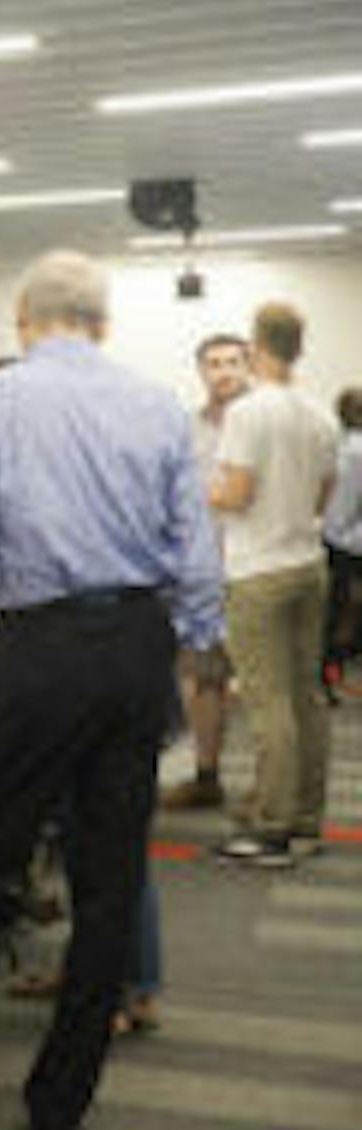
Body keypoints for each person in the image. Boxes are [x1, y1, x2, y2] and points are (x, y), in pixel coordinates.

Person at [0, 250, 221, 1130]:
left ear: (24, 318)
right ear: (100, 322)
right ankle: (60, 1107)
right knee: (109, 880)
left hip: (39, 650)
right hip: (136, 648)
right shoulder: (160, 405)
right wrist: (181, 642)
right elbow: (199, 560)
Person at [209, 303, 339, 868]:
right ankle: (306, 819)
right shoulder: (320, 415)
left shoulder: (247, 412)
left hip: (257, 571)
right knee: (306, 697)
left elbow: (235, 495)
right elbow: (322, 496)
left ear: (256, 346)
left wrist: (200, 493)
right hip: (308, 564)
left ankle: (273, 827)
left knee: (268, 703)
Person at [161, 333, 251, 811]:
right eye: (214, 363)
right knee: (204, 678)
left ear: (248, 366)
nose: (223, 372)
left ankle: (272, 787)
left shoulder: (263, 421)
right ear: (201, 371)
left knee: (265, 684)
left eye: (233, 362)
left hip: (260, 568)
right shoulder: (188, 429)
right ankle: (207, 775)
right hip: (203, 572)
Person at [324, 388, 362, 700]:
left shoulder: (346, 449)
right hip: (348, 546)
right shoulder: (353, 452)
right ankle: (328, 678)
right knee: (339, 616)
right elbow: (341, 514)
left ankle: (329, 677)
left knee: (338, 614)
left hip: (343, 544)